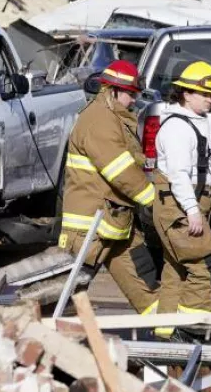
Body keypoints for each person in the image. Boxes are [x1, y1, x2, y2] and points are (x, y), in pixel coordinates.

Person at [59, 60, 160, 316]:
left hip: (116, 221)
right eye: (130, 95)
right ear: (112, 90)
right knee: (65, 293)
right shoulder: (99, 120)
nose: (134, 101)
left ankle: (169, 337)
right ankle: (45, 340)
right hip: (90, 227)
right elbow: (121, 171)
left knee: (144, 282)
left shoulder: (113, 116)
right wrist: (153, 201)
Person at [150, 61, 211, 340]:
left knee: (176, 271)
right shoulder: (177, 128)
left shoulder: (201, 124)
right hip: (181, 207)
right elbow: (179, 175)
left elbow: (210, 170)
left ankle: (165, 335)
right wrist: (193, 211)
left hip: (195, 203)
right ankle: (188, 332)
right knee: (205, 268)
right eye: (204, 94)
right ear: (185, 93)